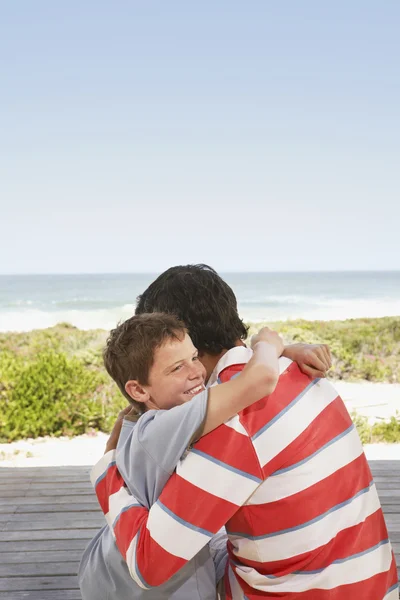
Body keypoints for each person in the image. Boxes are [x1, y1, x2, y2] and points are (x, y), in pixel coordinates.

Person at [94, 264, 398, 599]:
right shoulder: (298, 368)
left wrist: (108, 470)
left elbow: (147, 564)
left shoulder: (231, 423)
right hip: (375, 583)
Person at [79, 311, 328, 600]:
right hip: (148, 589)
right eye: (176, 368)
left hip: (107, 569)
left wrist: (290, 351)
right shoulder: (160, 427)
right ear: (138, 390)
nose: (196, 372)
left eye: (195, 357)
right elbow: (257, 382)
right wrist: (269, 344)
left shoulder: (143, 419)